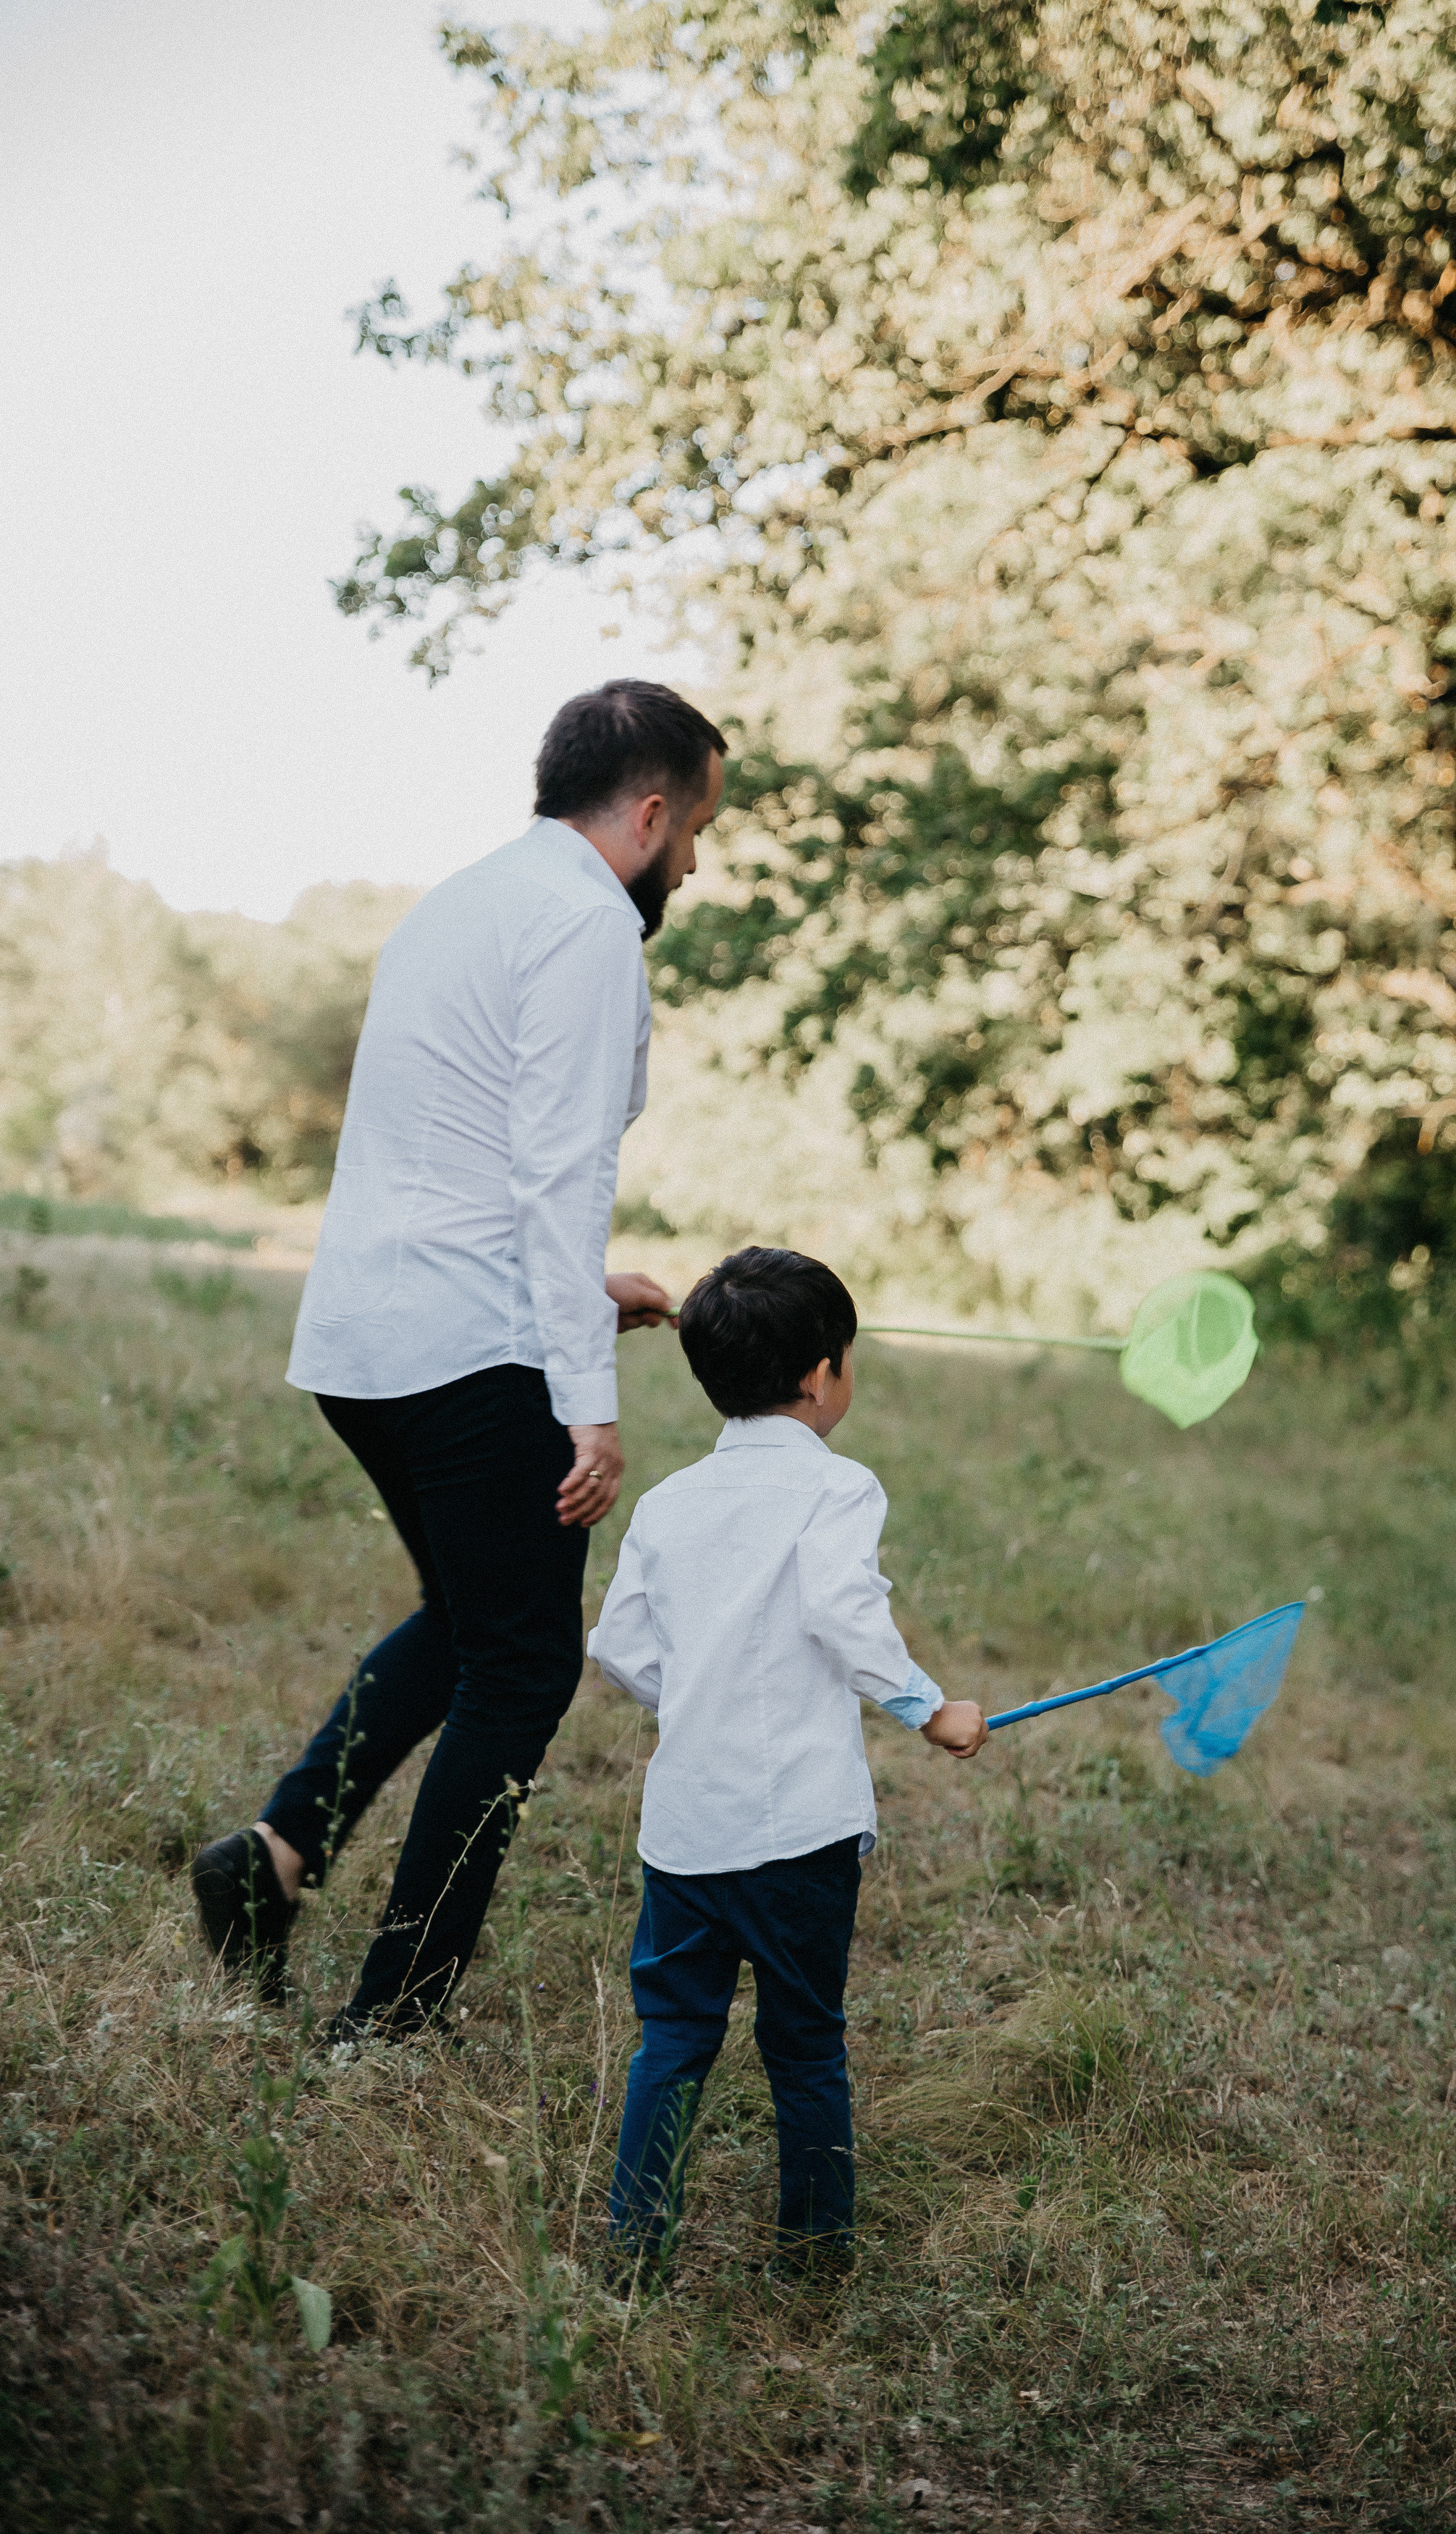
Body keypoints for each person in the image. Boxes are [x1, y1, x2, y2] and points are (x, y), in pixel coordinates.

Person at [190, 679, 726, 2040]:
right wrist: (586, 1405)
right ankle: (394, 2013)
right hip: (469, 1349)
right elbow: (557, 1172)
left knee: (467, 1618)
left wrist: (574, 1296)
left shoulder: (465, 901)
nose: (697, 861)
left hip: (367, 1338)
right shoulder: (592, 927)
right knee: (524, 1664)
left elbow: (465, 1156)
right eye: (699, 830)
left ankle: (270, 1864)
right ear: (652, 811)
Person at [586, 1245, 988, 2276]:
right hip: (796, 1836)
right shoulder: (837, 1490)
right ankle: (813, 2253)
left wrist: (702, 1702)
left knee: (670, 2044)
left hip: (684, 1833)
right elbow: (842, 1613)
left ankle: (636, 2249)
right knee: (804, 2044)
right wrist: (928, 1708)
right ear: (821, 1375)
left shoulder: (669, 1504)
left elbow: (618, 1646)